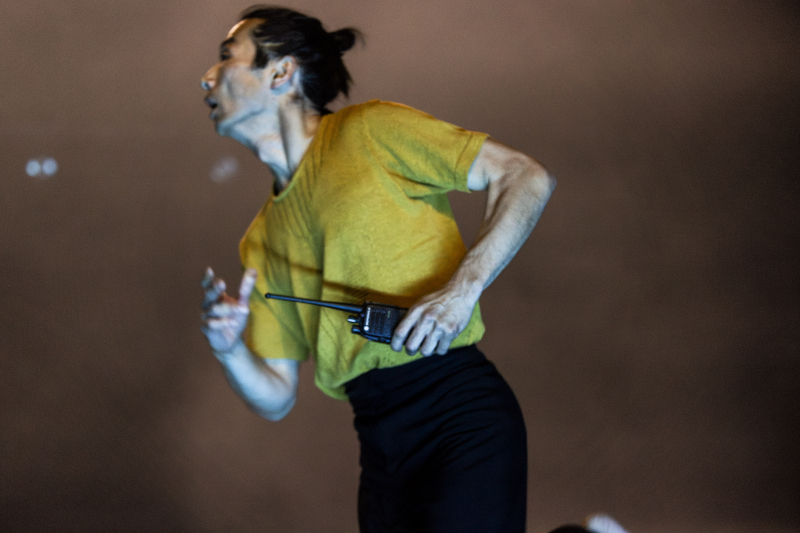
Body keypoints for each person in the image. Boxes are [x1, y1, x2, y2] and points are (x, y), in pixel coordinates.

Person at [197, 6, 615, 533]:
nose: (207, 77)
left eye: (226, 57)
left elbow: (525, 176)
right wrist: (229, 348)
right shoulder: (260, 240)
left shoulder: (369, 130)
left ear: (281, 71)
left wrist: (461, 292)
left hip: (455, 411)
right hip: (379, 449)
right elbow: (277, 394)